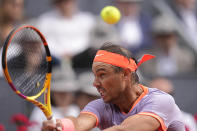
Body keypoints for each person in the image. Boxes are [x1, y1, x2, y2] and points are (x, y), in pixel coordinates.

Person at [41, 43, 185, 131]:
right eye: (95, 76)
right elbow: (79, 123)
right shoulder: (101, 106)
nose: (95, 83)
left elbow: (123, 130)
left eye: (102, 75)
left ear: (125, 75)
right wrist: (62, 126)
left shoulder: (161, 101)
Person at [29, 59, 80, 131]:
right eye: (59, 92)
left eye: (66, 92)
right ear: (52, 93)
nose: (63, 96)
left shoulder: (76, 110)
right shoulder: (39, 113)